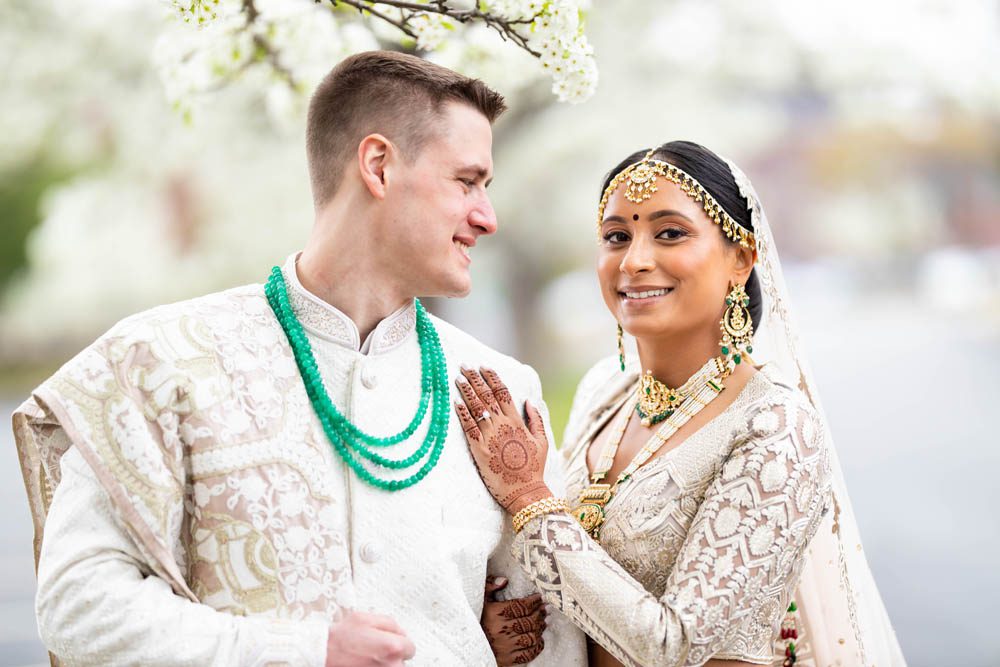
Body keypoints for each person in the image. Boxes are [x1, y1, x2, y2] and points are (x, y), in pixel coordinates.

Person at [11, 51, 585, 666]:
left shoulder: (497, 389)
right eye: (466, 182)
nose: (487, 218)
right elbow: (77, 605)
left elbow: (547, 643)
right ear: (378, 166)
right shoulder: (159, 362)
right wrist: (302, 651)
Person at [455, 141, 906, 666]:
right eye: (616, 237)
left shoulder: (775, 426)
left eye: (670, 233)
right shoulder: (604, 394)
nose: (635, 260)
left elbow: (677, 645)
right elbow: (568, 584)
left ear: (740, 259)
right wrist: (505, 623)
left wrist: (529, 497)